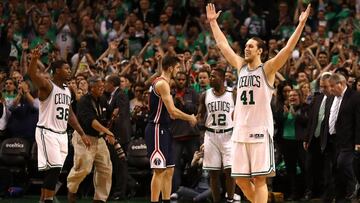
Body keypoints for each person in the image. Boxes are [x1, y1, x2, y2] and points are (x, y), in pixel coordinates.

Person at [206, 3, 311, 203]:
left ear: (260, 51)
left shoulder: (268, 69)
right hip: (239, 131)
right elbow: (223, 45)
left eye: (250, 46)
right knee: (239, 179)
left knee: (259, 179)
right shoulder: (240, 66)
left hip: (260, 131)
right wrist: (213, 23)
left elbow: (288, 49)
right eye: (245, 46)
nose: (246, 49)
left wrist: (301, 24)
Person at [28, 48, 89, 203]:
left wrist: (81, 133)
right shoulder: (48, 85)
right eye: (66, 68)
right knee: (54, 169)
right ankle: (48, 200)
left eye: (70, 68)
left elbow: (69, 114)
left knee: (53, 170)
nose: (69, 71)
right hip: (47, 131)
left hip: (61, 134)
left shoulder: (68, 91)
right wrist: (34, 60)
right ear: (56, 71)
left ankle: (43, 199)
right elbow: (33, 75)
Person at [145, 55, 197, 203]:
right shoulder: (162, 84)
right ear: (170, 68)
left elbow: (170, 113)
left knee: (169, 170)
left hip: (165, 129)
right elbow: (173, 111)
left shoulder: (165, 82)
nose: (178, 71)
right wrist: (190, 117)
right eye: (177, 68)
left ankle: (166, 200)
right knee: (159, 170)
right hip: (156, 129)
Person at [67, 76, 115, 203]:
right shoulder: (84, 101)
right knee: (84, 168)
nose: (102, 88)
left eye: (102, 86)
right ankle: (72, 189)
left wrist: (115, 114)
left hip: (98, 138)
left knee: (106, 168)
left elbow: (107, 115)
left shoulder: (103, 99)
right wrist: (107, 131)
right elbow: (92, 122)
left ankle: (99, 199)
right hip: (84, 137)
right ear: (91, 88)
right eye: (99, 87)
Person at [197, 68, 235, 202]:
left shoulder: (232, 93)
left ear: (222, 78)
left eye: (213, 76)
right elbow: (200, 117)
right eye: (210, 76)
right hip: (211, 135)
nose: (210, 79)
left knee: (230, 171)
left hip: (229, 134)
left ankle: (230, 199)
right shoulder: (205, 95)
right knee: (213, 173)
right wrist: (202, 136)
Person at [322, 73, 360, 202]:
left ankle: (355, 185)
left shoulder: (355, 97)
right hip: (333, 140)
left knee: (343, 163)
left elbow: (358, 121)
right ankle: (342, 197)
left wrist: (358, 141)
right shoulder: (333, 98)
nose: (330, 89)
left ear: (341, 84)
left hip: (348, 140)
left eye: (332, 86)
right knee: (336, 170)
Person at [303, 72, 332, 200]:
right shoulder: (318, 98)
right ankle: (310, 191)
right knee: (309, 166)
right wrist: (306, 138)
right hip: (314, 138)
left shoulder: (335, 99)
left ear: (331, 85)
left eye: (325, 87)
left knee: (326, 168)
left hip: (327, 139)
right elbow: (312, 119)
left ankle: (325, 194)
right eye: (321, 86)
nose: (322, 89)